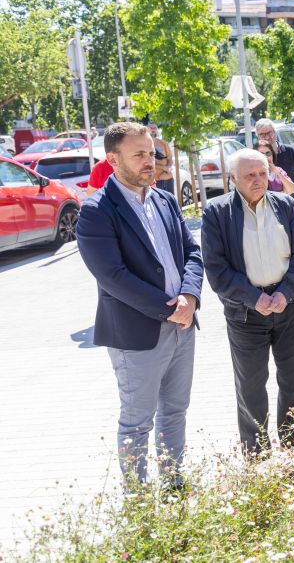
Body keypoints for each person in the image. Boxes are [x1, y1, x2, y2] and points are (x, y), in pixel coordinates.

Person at [76, 122, 203, 489]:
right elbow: (112, 277)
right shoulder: (97, 211)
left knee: (175, 411)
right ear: (113, 159)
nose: (151, 161)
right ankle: (140, 507)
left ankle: (175, 486)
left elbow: (193, 252)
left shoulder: (164, 199)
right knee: (137, 421)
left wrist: (190, 298)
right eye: (140, 155)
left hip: (182, 325)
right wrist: (171, 308)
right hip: (137, 334)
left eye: (151, 153)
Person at [201, 149, 294, 455]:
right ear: (232, 178)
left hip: (289, 307)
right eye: (250, 175)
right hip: (246, 314)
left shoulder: (286, 205)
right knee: (250, 387)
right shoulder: (217, 212)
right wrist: (254, 298)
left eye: (263, 173)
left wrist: (284, 293)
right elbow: (216, 268)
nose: (258, 180)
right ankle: (257, 456)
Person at [256, 119, 294, 207]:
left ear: (275, 132)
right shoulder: (254, 157)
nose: (266, 137)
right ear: (258, 136)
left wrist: (287, 191)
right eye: (262, 134)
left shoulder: (291, 151)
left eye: (269, 133)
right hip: (268, 205)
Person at [148, 123, 175, 196]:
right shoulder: (144, 144)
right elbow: (147, 161)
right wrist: (163, 167)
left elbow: (169, 158)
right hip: (153, 180)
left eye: (155, 128)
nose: (153, 130)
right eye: (151, 128)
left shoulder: (163, 143)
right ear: (147, 129)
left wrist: (169, 167)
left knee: (170, 201)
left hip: (167, 178)